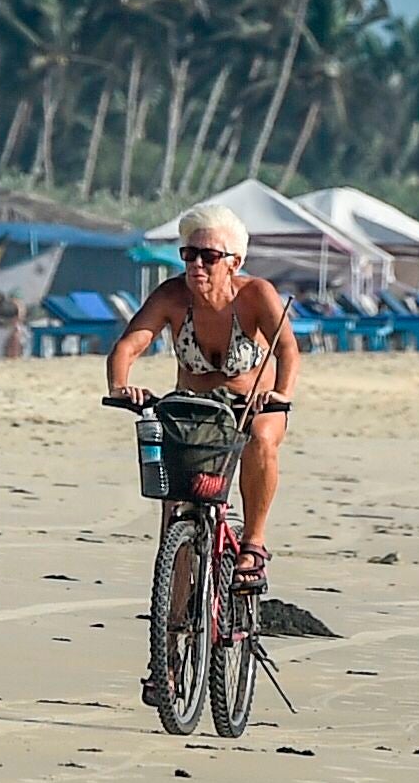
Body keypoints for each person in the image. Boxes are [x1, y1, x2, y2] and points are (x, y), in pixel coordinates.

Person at [105, 203, 301, 604]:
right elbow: (130, 344)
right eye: (189, 254)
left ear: (234, 262)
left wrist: (280, 394)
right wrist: (121, 385)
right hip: (195, 409)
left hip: (253, 406)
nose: (197, 264)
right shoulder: (172, 296)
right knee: (175, 506)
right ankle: (171, 634)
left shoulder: (256, 295)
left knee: (262, 441)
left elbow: (288, 350)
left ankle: (253, 545)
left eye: (209, 256)